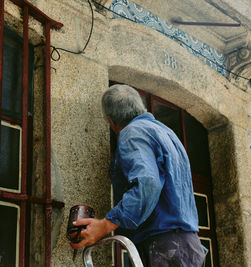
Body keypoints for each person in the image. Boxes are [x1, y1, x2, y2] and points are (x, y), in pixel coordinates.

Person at [71, 84, 205, 266]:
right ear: (141, 107)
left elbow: (147, 183)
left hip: (164, 247)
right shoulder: (168, 133)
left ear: (111, 121)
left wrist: (105, 225)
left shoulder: (132, 133)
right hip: (189, 247)